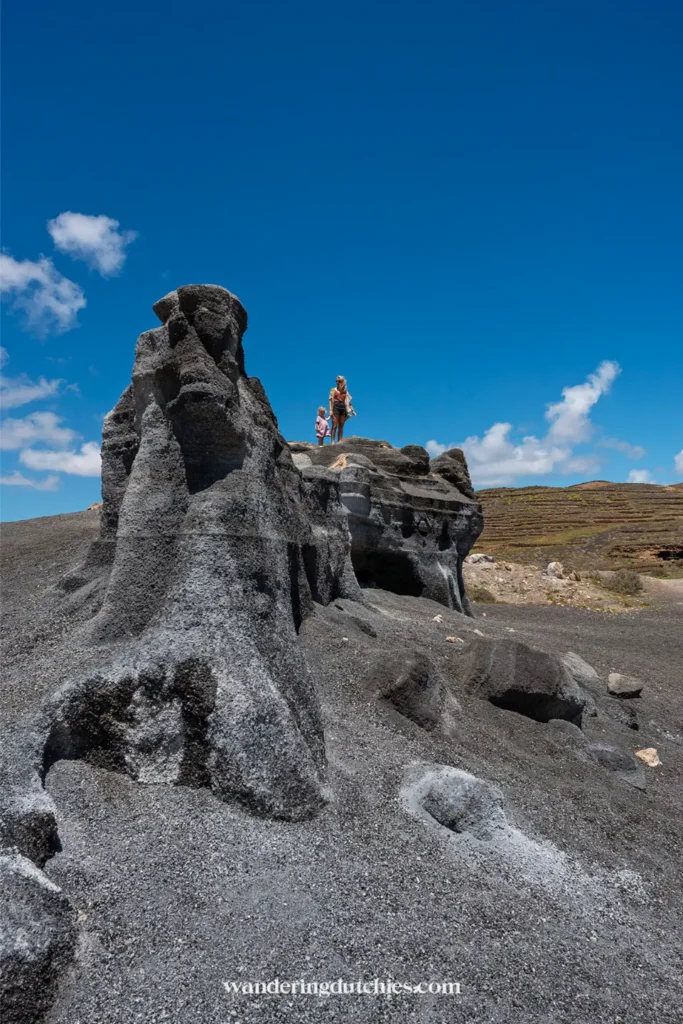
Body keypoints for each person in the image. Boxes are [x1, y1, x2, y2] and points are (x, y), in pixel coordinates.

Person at [329, 375, 352, 443]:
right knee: (334, 425)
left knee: (341, 426)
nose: (337, 382)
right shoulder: (333, 390)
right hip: (336, 407)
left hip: (343, 408)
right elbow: (330, 400)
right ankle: (332, 442)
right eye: (336, 381)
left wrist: (350, 410)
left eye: (339, 381)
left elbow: (348, 401)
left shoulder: (345, 391)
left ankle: (340, 441)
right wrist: (330, 410)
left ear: (342, 382)